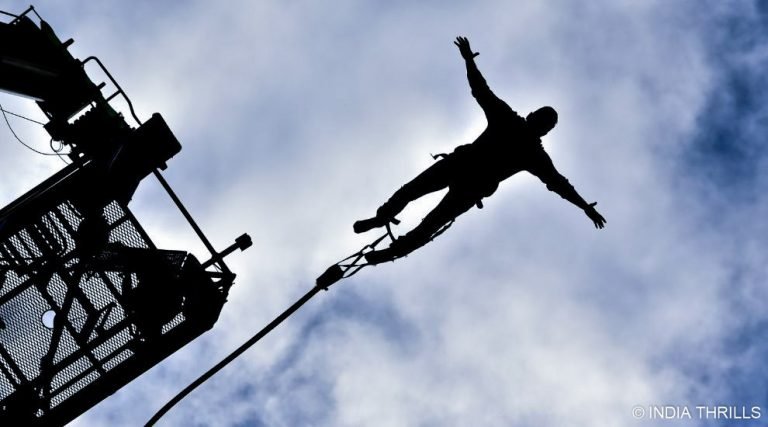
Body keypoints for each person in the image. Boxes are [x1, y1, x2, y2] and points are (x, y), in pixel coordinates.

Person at [355, 36, 606, 264]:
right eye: (543, 120)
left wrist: (584, 206)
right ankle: (383, 221)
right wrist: (469, 62)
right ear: (534, 118)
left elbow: (559, 183)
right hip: (462, 168)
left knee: (428, 218)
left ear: (544, 130)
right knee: (415, 198)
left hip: (470, 183)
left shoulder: (532, 151)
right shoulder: (512, 125)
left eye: (546, 124)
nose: (542, 125)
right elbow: (481, 90)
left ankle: (391, 243)